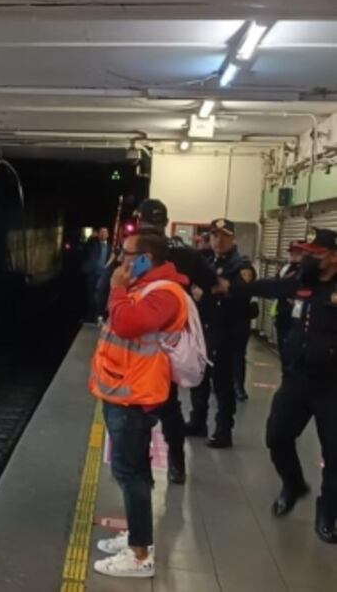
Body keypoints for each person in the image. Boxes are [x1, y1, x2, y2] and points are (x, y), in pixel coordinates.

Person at [91, 232, 191, 578]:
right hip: (123, 389)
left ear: (147, 257)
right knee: (135, 469)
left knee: (128, 471)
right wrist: (120, 287)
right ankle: (136, 535)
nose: (121, 259)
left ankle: (139, 555)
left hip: (135, 395)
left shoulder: (164, 293)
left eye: (127, 254)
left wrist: (119, 289)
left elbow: (126, 323)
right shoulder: (144, 286)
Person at [98, 199, 218, 484]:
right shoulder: (185, 253)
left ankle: (141, 469)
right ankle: (176, 462)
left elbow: (104, 290)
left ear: (138, 221)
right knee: (169, 407)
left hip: (137, 354)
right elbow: (216, 284)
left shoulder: (133, 252)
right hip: (171, 348)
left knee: (136, 415)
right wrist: (195, 313)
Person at [232, 228, 337, 543]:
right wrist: (233, 287)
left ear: (333, 256)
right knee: (276, 436)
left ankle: (328, 513)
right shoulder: (301, 282)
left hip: (332, 385)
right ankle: (293, 484)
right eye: (306, 252)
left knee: (334, 453)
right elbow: (271, 287)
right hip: (297, 378)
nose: (307, 258)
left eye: (315, 254)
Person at [185, 218, 257, 448]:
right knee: (199, 378)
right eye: (215, 235)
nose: (218, 240)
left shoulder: (241, 265)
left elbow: (238, 291)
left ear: (232, 238)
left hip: (225, 330)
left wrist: (207, 291)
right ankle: (198, 422)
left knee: (222, 382)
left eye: (224, 235)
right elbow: (193, 285)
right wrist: (210, 289)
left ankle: (223, 429)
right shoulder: (206, 259)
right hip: (203, 328)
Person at [83, 227, 111, 322]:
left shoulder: (110, 247)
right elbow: (86, 247)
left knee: (101, 296)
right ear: (98, 235)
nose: (103, 234)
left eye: (105, 232)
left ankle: (98, 316)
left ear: (108, 235)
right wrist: (91, 238)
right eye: (101, 232)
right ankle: (89, 317)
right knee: (90, 295)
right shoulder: (93, 244)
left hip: (103, 276)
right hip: (92, 274)